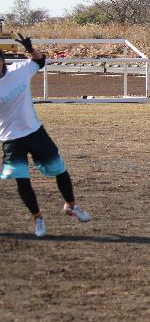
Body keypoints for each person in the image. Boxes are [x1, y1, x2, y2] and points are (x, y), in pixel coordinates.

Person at [0, 34, 91, 237]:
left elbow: (40, 62)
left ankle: (71, 206)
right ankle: (38, 218)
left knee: (59, 169)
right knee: (22, 180)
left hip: (34, 131)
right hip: (11, 139)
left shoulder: (19, 70)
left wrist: (30, 49)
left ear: (2, 61)